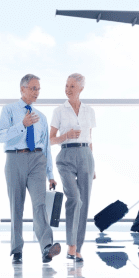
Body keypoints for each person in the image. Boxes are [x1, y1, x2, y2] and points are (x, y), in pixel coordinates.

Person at [0, 74, 60, 264]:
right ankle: (17, 250)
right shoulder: (8, 110)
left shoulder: (41, 117)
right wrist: (22, 126)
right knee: (16, 206)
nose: (37, 92)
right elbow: (1, 136)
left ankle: (46, 247)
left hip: (37, 160)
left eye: (38, 89)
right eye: (33, 88)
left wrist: (50, 174)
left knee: (40, 205)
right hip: (15, 158)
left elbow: (46, 147)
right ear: (22, 89)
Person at [50, 73, 96, 264]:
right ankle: (70, 245)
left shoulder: (89, 111)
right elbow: (51, 140)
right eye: (67, 85)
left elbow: (90, 138)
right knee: (74, 199)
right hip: (66, 156)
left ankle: (77, 248)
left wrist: (93, 164)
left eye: (72, 87)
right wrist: (66, 135)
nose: (68, 89)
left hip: (86, 156)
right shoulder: (59, 111)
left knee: (84, 203)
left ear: (81, 89)